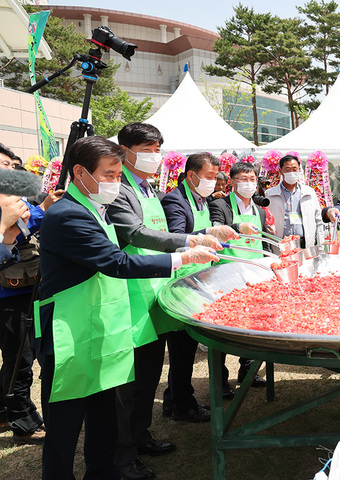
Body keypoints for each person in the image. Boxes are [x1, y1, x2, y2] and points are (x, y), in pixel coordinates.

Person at [36, 136, 217, 480]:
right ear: (79, 172)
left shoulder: (94, 208)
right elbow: (115, 262)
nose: (116, 182)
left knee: (105, 421)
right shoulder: (68, 215)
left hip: (103, 331)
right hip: (71, 336)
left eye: (119, 175)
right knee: (65, 426)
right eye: (109, 174)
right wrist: (182, 257)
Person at [109, 123, 226, 479]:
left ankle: (140, 436)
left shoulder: (147, 188)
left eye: (158, 149)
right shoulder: (118, 188)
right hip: (130, 295)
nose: (154, 156)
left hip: (155, 292)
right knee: (129, 381)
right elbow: (134, 233)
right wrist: (190, 241)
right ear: (124, 150)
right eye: (146, 148)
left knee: (147, 375)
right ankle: (122, 454)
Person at [161, 152, 239, 423]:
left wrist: (221, 231)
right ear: (191, 175)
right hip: (182, 279)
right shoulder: (175, 199)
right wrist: (204, 236)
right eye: (208, 177)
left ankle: (175, 399)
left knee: (186, 347)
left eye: (215, 176)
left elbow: (202, 229)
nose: (213, 182)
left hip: (200, 276)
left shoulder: (200, 199)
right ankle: (182, 403)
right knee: (182, 347)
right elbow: (175, 237)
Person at [0, 143, 63, 446]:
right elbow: (16, 229)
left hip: (24, 289)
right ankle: (22, 421)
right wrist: (42, 210)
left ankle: (5, 409)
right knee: (20, 361)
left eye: (11, 166)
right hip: (8, 294)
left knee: (16, 358)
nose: (8, 172)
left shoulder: (14, 198)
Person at [209, 161, 271, 390]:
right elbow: (216, 229)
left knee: (255, 325)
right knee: (223, 329)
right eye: (243, 179)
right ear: (232, 182)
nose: (248, 184)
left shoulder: (259, 209)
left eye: (252, 179)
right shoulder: (219, 205)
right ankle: (221, 380)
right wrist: (237, 226)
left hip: (255, 276)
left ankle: (249, 371)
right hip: (227, 273)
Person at [265, 155, 324, 250]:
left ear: (299, 170)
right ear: (281, 171)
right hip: (280, 246)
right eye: (287, 169)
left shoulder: (309, 192)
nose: (291, 172)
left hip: (305, 245)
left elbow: (318, 219)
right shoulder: (270, 194)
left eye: (294, 169)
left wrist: (321, 247)